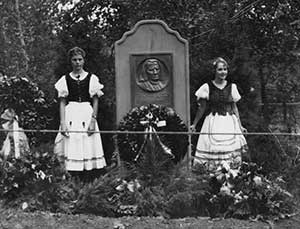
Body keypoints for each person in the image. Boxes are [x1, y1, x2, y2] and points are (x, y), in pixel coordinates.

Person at [54, 46, 106, 178]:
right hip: (71, 112)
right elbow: (62, 102)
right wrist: (63, 122)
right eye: (74, 60)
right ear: (70, 61)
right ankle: (72, 175)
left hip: (86, 113)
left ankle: (87, 177)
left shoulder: (91, 78)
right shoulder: (65, 79)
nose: (77, 62)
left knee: (87, 141)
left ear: (84, 61)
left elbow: (95, 100)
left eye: (80, 59)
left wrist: (93, 120)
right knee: (72, 141)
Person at [190, 57, 247, 171]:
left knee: (230, 149)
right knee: (213, 148)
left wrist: (240, 125)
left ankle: (231, 176)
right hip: (213, 121)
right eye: (220, 69)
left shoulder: (232, 87)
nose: (223, 72)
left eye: (225, 69)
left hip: (229, 121)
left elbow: (234, 107)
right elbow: (202, 107)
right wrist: (194, 124)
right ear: (214, 71)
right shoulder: (207, 87)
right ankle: (213, 176)